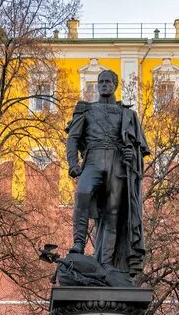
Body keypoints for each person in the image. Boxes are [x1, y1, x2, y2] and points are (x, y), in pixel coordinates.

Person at [64, 69, 150, 280]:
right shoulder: (86, 110)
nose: (103, 85)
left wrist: (131, 153)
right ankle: (78, 245)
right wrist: (73, 163)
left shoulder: (126, 114)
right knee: (82, 196)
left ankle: (107, 262)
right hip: (92, 159)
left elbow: (138, 147)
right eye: (100, 81)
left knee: (113, 213)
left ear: (115, 85)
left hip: (117, 163)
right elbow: (73, 138)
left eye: (107, 82)